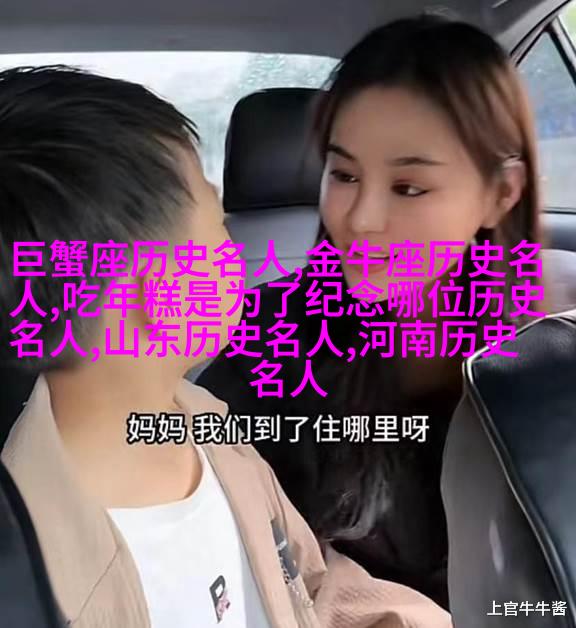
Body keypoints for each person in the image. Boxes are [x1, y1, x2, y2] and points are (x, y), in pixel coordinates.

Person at [0, 66, 451, 627]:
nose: (237, 255)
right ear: (164, 293)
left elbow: (304, 580)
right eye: (219, 227)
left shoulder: (203, 422)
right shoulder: (33, 577)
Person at [198, 14, 548, 610]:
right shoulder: (268, 337)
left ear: (501, 194)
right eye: (343, 174)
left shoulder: (543, 366)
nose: (360, 219)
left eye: (408, 187)